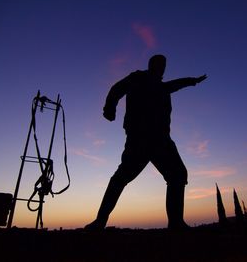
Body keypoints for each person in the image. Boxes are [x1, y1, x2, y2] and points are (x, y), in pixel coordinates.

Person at [85, 54, 207, 230]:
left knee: (177, 175)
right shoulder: (138, 78)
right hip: (139, 139)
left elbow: (175, 85)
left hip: (161, 140)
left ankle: (176, 223)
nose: (162, 68)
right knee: (121, 178)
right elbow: (117, 89)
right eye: (158, 64)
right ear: (151, 65)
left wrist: (192, 81)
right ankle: (100, 221)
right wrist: (109, 108)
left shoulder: (162, 87)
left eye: (163, 65)